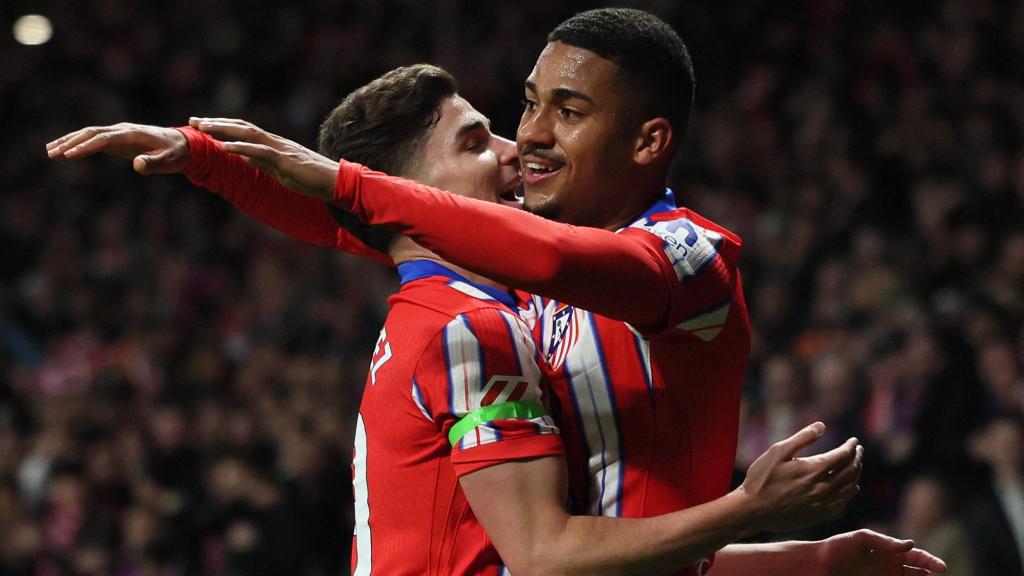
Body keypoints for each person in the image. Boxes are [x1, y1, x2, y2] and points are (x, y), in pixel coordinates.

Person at [48, 65, 867, 576]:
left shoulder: (466, 298)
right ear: (416, 199)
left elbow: (360, 222)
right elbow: (545, 556)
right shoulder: (472, 328)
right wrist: (749, 508)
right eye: (478, 143)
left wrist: (207, 159)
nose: (516, 149)